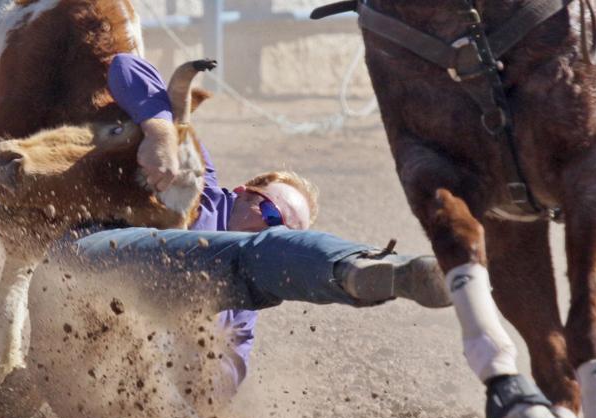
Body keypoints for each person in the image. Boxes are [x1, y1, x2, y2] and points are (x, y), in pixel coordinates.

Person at [67, 53, 451, 393]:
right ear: (243, 192)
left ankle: (372, 275)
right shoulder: (206, 188)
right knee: (256, 255)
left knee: (260, 266)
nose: (271, 230)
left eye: (283, 232)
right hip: (93, 269)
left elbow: (228, 376)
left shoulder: (243, 309)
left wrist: (201, 364)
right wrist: (161, 131)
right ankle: (361, 268)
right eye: (270, 215)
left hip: (115, 372)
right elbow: (124, 65)